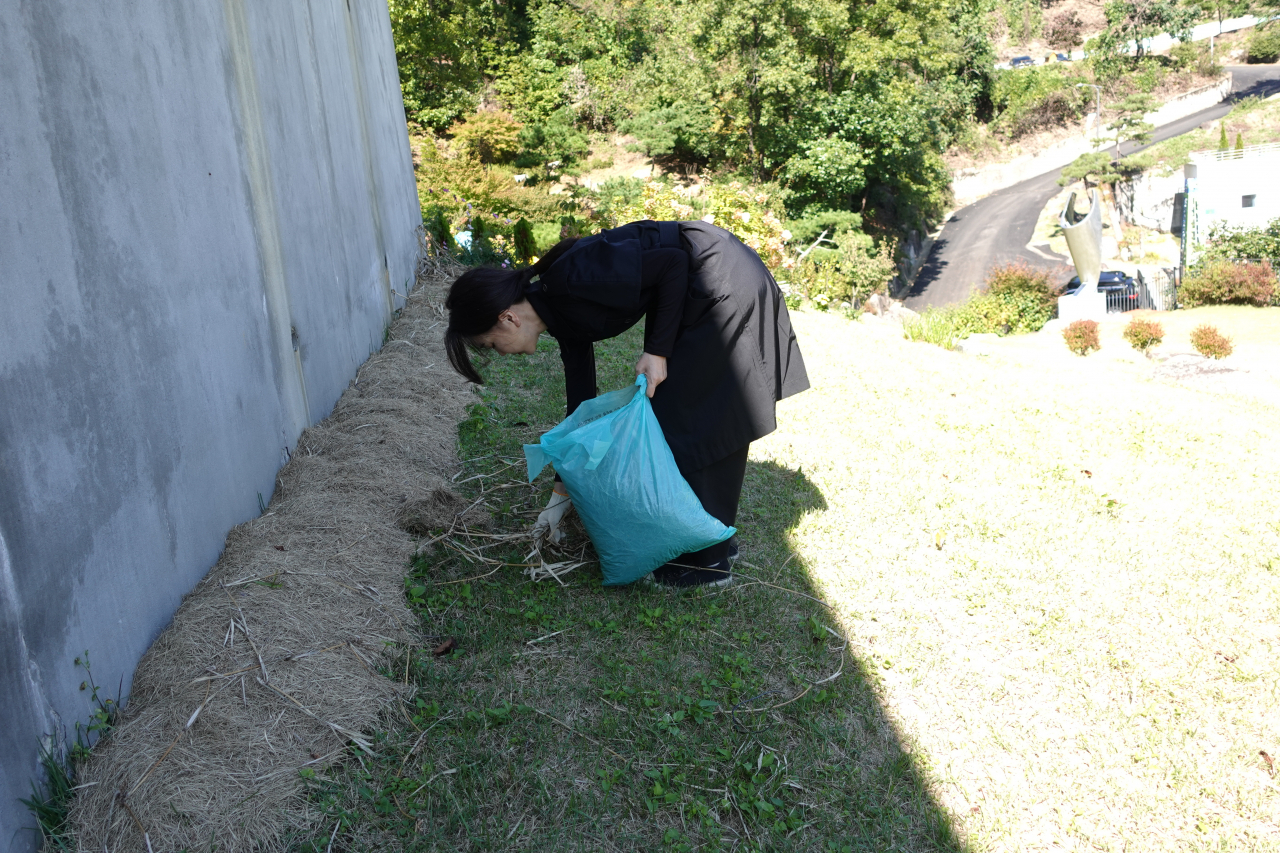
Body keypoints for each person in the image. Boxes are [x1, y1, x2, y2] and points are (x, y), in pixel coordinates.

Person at [444, 219, 808, 587]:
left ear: (507, 318)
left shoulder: (571, 278)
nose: (500, 354)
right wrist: (559, 496)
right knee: (684, 418)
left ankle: (705, 564)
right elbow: (580, 415)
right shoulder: (558, 313)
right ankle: (712, 544)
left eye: (491, 345)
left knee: (688, 420)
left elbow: (671, 264)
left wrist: (657, 351)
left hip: (720, 277)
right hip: (702, 286)